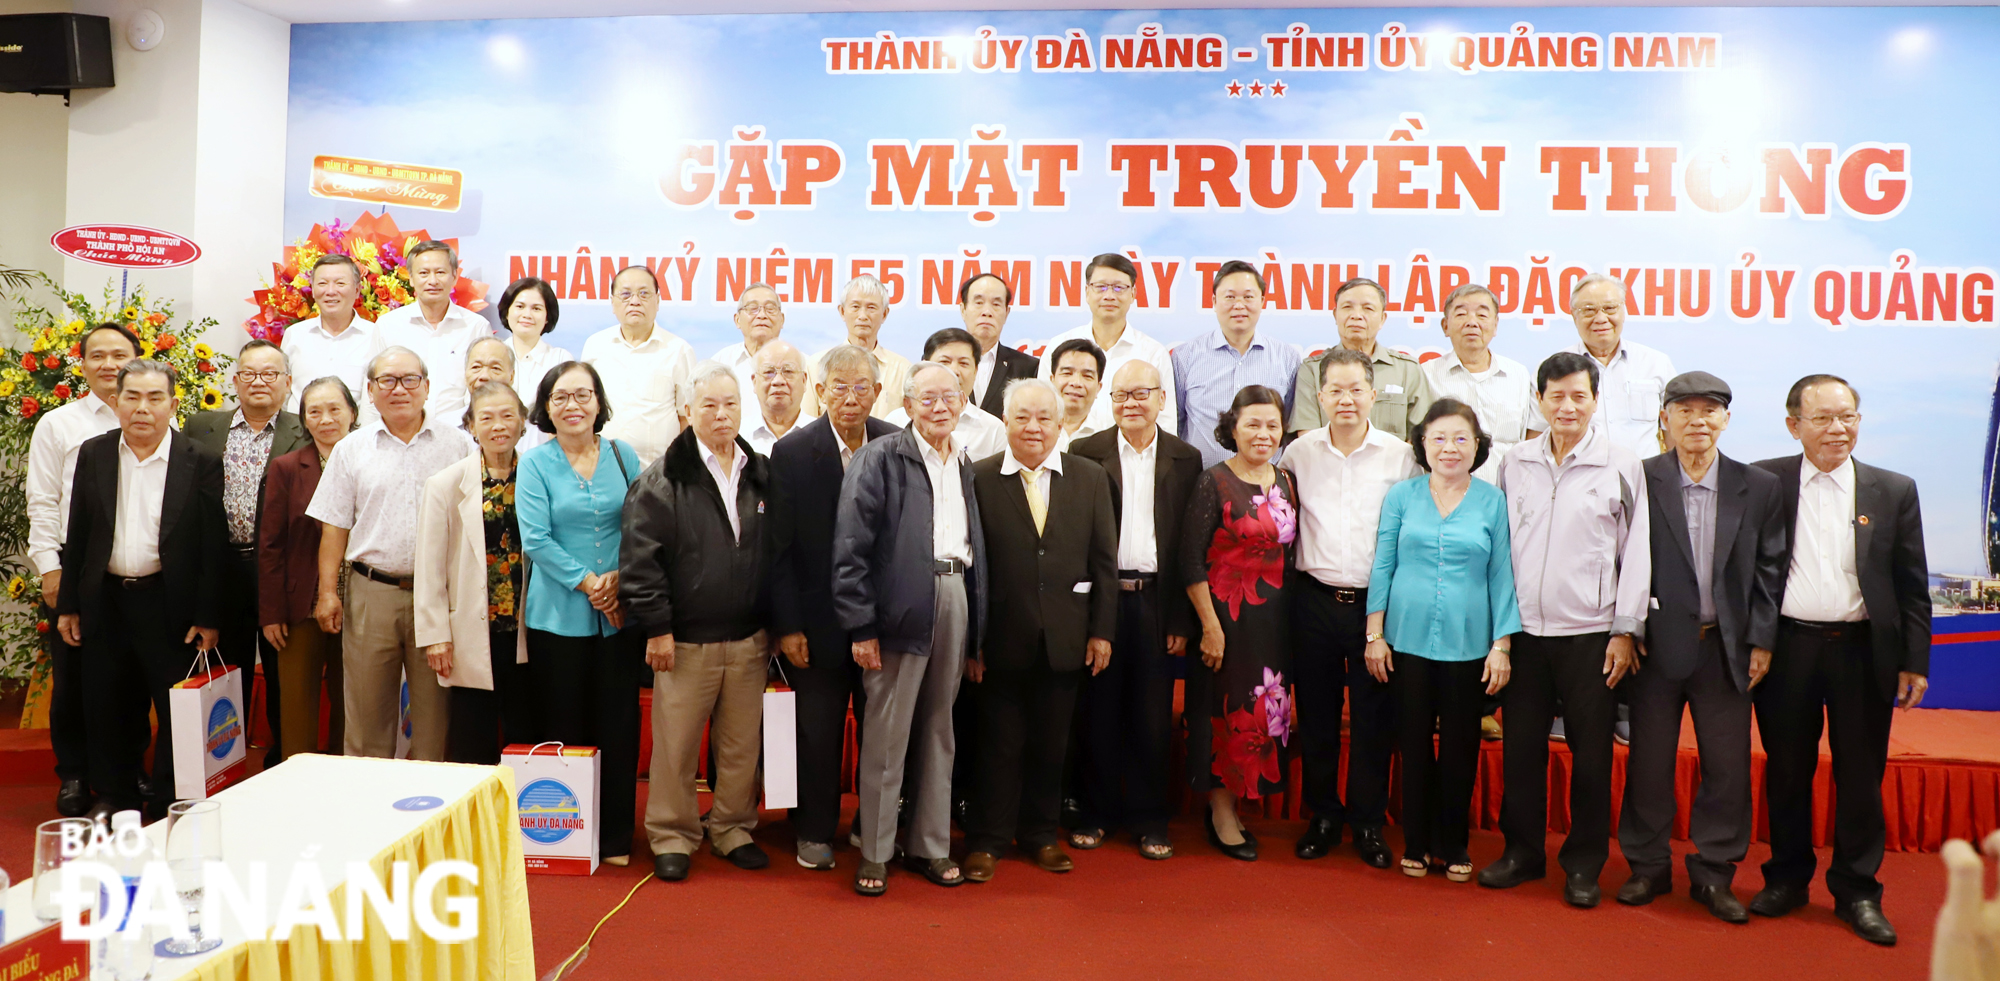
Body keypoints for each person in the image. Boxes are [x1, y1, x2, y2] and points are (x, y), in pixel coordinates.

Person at [1750, 374, 1930, 946]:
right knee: (1787, 769)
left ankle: (1857, 891)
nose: (1838, 429)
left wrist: (1914, 660)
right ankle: (1786, 879)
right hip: (1788, 649)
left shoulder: (1893, 489)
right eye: (1823, 418)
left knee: (1860, 776)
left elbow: (1912, 584)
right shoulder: (1764, 481)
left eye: (1847, 416)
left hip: (1861, 651)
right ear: (1793, 425)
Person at [1480, 351, 1650, 908]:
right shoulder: (1515, 462)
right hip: (1526, 634)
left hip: (1592, 636)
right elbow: (1501, 551)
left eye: (1579, 396)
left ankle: (1583, 864)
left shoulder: (1622, 464)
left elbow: (1638, 554)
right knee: (1522, 750)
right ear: (1539, 400)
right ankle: (1522, 853)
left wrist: (1625, 630)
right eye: (1556, 396)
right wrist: (1500, 631)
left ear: (1596, 400)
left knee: (1593, 755)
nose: (1568, 406)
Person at [1617, 371, 1785, 923]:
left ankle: (1714, 875)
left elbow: (1769, 569)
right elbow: (1620, 561)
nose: (1697, 420)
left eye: (1709, 410)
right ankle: (1648, 867)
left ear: (1726, 420)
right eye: (1684, 410)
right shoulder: (1639, 479)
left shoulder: (1757, 486)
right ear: (1664, 418)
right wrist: (1627, 629)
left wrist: (1762, 639)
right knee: (1649, 762)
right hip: (1656, 649)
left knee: (1727, 767)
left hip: (1726, 649)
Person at [833, 362, 988, 896]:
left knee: (939, 729)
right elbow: (850, 551)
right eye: (928, 399)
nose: (941, 406)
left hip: (954, 596)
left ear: (963, 401)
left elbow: (978, 550)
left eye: (950, 396)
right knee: (887, 732)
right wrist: (861, 626)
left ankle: (930, 844)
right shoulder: (878, 458)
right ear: (907, 404)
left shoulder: (964, 461)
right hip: (898, 607)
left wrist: (978, 629)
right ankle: (875, 852)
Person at [55, 359, 226, 818]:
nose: (142, 408)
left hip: (170, 602)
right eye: (132, 397)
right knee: (108, 703)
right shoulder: (95, 453)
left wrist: (208, 617)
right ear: (116, 402)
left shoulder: (200, 460)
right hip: (106, 600)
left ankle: (172, 797)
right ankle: (115, 797)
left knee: (174, 708)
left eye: (154, 398)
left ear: (173, 405)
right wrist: (69, 604)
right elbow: (79, 532)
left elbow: (214, 546)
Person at [623, 362, 772, 882]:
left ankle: (731, 827)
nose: (720, 413)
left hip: (749, 639)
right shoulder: (664, 478)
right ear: (687, 411)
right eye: (708, 404)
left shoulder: (759, 470)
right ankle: (672, 833)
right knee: (677, 745)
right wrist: (658, 629)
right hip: (684, 642)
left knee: (739, 745)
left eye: (730, 403)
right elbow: (641, 563)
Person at [963, 379, 1117, 880]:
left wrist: (1101, 632)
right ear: (1004, 422)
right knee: (997, 746)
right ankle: (987, 840)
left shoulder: (1090, 478)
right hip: (1000, 641)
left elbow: (1104, 564)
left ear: (1060, 424)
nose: (1033, 427)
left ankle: (1039, 836)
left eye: (1044, 418)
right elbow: (971, 568)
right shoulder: (979, 479)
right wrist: (973, 642)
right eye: (1022, 417)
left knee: (1053, 746)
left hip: (1066, 639)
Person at [1366, 398, 1518, 880]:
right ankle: (1415, 841)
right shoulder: (1402, 496)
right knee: (1412, 745)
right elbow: (1383, 565)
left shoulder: (1493, 500)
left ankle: (1454, 845)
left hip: (1469, 644)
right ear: (1422, 445)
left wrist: (1502, 645)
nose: (1450, 448)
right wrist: (1374, 633)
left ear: (1477, 446)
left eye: (1461, 439)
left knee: (1459, 748)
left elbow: (1502, 576)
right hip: (1404, 641)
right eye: (1439, 438)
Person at [1282, 347, 1420, 868]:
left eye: (1355, 389)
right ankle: (1322, 815)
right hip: (1312, 601)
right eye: (1334, 390)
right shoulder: (1297, 455)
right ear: (1319, 397)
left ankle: (1367, 821)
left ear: (1373, 394)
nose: (1346, 399)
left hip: (1374, 607)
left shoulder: (1400, 455)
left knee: (1372, 719)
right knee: (1316, 716)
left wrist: (1380, 619)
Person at [306, 346, 476, 760]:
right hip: (371, 592)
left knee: (435, 720)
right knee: (366, 719)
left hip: (438, 597)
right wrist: (328, 593)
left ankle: (427, 813)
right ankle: (368, 814)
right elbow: (334, 527)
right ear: (370, 390)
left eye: (409, 380)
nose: (399, 389)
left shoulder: (459, 446)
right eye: (387, 381)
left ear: (427, 387)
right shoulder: (352, 449)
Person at [770, 346, 900, 870]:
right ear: (819, 391)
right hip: (815, 623)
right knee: (817, 733)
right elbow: (777, 552)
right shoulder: (794, 451)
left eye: (861, 386)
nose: (851, 398)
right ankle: (815, 830)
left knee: (880, 733)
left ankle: (872, 828)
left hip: (883, 621)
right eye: (839, 387)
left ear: (877, 390)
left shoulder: (895, 443)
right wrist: (788, 626)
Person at [1068, 361, 1202, 859]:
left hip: (1157, 603)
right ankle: (1096, 813)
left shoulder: (1185, 458)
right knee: (1098, 712)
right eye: (1121, 394)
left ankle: (1150, 819)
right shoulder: (1086, 452)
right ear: (1109, 399)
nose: (1131, 403)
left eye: (1141, 394)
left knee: (1152, 718)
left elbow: (1189, 547)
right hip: (1102, 600)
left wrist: (1181, 620)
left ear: (1162, 399)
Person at [518, 361, 645, 868]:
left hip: (620, 616)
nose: (573, 405)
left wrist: (618, 579)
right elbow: (536, 539)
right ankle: (568, 836)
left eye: (583, 395)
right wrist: (591, 583)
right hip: (557, 618)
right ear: (546, 407)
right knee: (563, 723)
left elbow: (645, 521)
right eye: (561, 397)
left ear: (599, 402)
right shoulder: (535, 463)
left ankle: (614, 837)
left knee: (619, 726)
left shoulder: (623, 454)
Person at [1182, 385, 1298, 861]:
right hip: (1226, 620)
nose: (1263, 433)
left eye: (1272, 424)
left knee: (1261, 712)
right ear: (1232, 427)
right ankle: (1221, 811)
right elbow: (1189, 562)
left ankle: (1243, 803)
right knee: (1225, 710)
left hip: (1274, 624)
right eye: (1252, 423)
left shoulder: (1286, 480)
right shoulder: (1214, 481)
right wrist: (1209, 626)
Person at [28, 323, 139, 816]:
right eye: (98, 355)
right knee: (74, 676)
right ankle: (74, 773)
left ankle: (129, 768)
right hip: (77, 563)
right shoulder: (59, 424)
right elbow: (43, 500)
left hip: (137, 564)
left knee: (131, 673)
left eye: (119, 354)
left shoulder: (157, 417)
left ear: (137, 358)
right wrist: (50, 569)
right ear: (83, 364)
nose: (109, 364)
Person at [185, 340, 306, 765]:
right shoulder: (200, 427)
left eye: (270, 374)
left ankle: (283, 754)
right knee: (224, 666)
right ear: (234, 380)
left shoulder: (303, 429)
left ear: (288, 383)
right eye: (249, 373)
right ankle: (221, 760)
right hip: (219, 567)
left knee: (281, 670)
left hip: (277, 567)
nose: (259, 382)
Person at [415, 382, 538, 766]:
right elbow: (430, 567)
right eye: (486, 417)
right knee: (473, 742)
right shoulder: (445, 484)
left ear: (523, 423)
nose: (498, 426)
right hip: (471, 631)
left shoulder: (538, 478)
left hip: (529, 632)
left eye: (507, 416)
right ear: (471, 425)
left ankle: (523, 823)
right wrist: (436, 636)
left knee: (527, 740)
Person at [258, 377, 357, 760]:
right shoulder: (286, 467)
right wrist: (271, 613)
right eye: (314, 411)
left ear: (352, 412)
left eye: (335, 409)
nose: (326, 419)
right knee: (297, 705)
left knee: (352, 705)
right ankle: (295, 787)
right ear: (303, 421)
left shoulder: (368, 459)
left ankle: (345, 783)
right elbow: (270, 545)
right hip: (300, 605)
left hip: (361, 602)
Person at [1173, 260, 1305, 468]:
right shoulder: (1185, 356)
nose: (1239, 305)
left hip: (1265, 489)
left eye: (1248, 297)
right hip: (1198, 481)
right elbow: (1176, 422)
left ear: (1262, 301)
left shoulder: (1287, 358)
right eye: (1230, 297)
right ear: (1214, 301)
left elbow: (1289, 427)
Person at [1038, 253, 1177, 434]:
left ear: (1133, 293)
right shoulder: (1060, 346)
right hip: (1066, 455)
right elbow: (1041, 410)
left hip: (1127, 457)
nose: (1110, 295)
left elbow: (1165, 425)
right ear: (1087, 292)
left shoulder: (1153, 353)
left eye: (1119, 288)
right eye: (1101, 287)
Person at [1420, 283, 1541, 479]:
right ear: (1445, 326)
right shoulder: (1425, 374)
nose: (1472, 322)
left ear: (1495, 326)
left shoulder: (1518, 374)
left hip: (1508, 493)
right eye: (1461, 314)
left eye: (1482, 315)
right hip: (1446, 495)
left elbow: (1530, 441)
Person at [368, 240, 493, 429]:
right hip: (399, 433)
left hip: (460, 434)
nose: (432, 281)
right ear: (410, 278)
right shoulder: (388, 325)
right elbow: (371, 387)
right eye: (424, 273)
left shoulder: (476, 327)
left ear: (454, 277)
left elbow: (487, 390)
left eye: (440, 272)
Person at [580, 265, 696, 465]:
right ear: (612, 302)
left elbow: (687, 417)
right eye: (625, 294)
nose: (634, 301)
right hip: (601, 468)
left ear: (657, 301)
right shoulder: (595, 346)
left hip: (659, 472)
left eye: (644, 294)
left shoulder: (678, 350)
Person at [1289, 277, 1433, 438]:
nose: (1356, 315)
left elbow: (1424, 436)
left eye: (1368, 308)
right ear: (1336, 315)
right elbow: (1308, 438)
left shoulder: (1407, 370)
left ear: (1382, 319)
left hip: (1395, 463)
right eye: (1347, 307)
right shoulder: (1312, 370)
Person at [1562, 273, 1676, 458]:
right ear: (1574, 316)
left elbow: (1673, 434)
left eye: (1609, 308)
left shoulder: (1656, 363)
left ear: (1624, 311)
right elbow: (1537, 435)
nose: (1600, 318)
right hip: (1579, 481)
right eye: (1589, 310)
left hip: (1644, 480)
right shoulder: (1555, 369)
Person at [883, 328, 1008, 462]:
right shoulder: (896, 421)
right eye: (945, 362)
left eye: (964, 363)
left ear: (976, 371)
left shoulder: (993, 429)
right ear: (924, 365)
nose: (954, 371)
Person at [280, 254, 377, 412]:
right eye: (322, 283)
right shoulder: (295, 335)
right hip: (298, 434)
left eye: (340, 283)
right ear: (312, 290)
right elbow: (282, 394)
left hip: (355, 434)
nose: (330, 291)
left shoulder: (374, 336)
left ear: (357, 290)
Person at [805, 275, 911, 419]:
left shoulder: (903, 370)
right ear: (842, 311)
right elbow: (807, 422)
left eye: (871, 308)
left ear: (884, 314)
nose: (863, 315)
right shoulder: (816, 364)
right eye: (855, 307)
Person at [961, 272, 1039, 417]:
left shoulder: (1028, 368)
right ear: (963, 310)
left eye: (996, 304)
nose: (987, 312)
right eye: (978, 303)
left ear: (1007, 313)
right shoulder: (941, 363)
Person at [497, 276, 572, 410]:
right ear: (507, 312)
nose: (527, 314)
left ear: (547, 317)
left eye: (536, 309)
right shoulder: (493, 356)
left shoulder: (560, 359)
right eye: (520, 306)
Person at [715, 283, 786, 398]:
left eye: (770, 308)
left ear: (782, 320)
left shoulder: (801, 363)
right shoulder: (720, 363)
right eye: (753, 308)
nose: (762, 315)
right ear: (737, 320)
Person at [744, 339, 810, 454]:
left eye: (788, 371)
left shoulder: (823, 437)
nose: (778, 381)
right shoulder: (737, 436)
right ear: (754, 382)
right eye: (769, 372)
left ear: (804, 381)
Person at [1049, 338, 1106, 452]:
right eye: (1067, 373)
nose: (1076, 383)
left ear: (1098, 388)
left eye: (1087, 376)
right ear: (1052, 380)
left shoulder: (1108, 432)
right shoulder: (1034, 428)